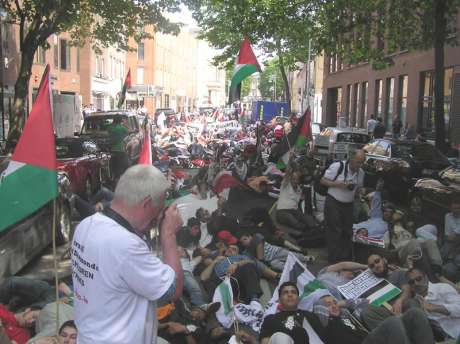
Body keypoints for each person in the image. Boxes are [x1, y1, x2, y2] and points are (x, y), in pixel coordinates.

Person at [71, 165, 184, 344]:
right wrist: (169, 234)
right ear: (147, 203)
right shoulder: (126, 245)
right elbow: (173, 289)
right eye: (159, 208)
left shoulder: (86, 225)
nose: (159, 216)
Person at [313, 294, 434, 344]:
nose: (333, 305)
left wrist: (341, 303)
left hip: (370, 337)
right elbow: (318, 310)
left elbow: (365, 302)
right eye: (328, 304)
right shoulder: (326, 323)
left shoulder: (348, 314)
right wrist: (329, 309)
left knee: (414, 313)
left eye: (334, 301)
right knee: (393, 322)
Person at [321, 150, 365, 263]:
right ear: (351, 159)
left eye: (362, 162)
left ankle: (344, 259)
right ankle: (333, 260)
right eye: (358, 162)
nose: (359, 165)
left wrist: (360, 192)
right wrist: (337, 184)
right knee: (334, 231)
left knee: (347, 232)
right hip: (333, 202)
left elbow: (358, 189)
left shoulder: (361, 173)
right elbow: (323, 181)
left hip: (348, 205)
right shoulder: (338, 166)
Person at [259, 282, 326, 344]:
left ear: (298, 298)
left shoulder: (311, 316)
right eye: (285, 293)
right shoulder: (270, 319)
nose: (290, 295)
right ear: (279, 300)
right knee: (281, 337)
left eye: (293, 292)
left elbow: (323, 338)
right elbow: (265, 341)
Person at [362, 254, 415, 330]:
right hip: (386, 313)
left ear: (384, 260)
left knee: (410, 302)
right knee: (366, 312)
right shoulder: (370, 286)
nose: (376, 265)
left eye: (377, 261)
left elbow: (407, 290)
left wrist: (400, 301)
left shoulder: (398, 274)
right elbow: (341, 266)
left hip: (402, 306)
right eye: (372, 266)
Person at [407, 268, 460, 340]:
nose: (416, 283)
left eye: (419, 279)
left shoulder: (442, 288)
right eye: (411, 282)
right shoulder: (414, 302)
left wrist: (434, 308)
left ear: (426, 277)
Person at [441, 198, 460, 282]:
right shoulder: (448, 216)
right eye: (454, 208)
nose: (456, 210)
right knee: (447, 246)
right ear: (450, 208)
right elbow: (448, 236)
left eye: (458, 208)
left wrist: (455, 236)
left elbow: (455, 235)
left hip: (456, 243)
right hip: (450, 242)